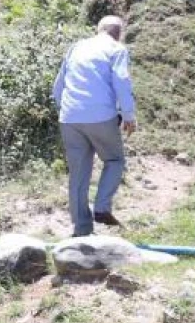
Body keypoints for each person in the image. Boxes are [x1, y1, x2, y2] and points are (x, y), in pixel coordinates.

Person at [52, 15, 137, 237]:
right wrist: (128, 115)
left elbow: (58, 87)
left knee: (78, 174)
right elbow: (121, 81)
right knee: (114, 159)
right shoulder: (116, 49)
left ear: (98, 29)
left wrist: (68, 109)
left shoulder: (76, 47)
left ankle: (81, 229)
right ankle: (101, 207)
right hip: (101, 116)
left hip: (69, 117)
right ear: (118, 33)